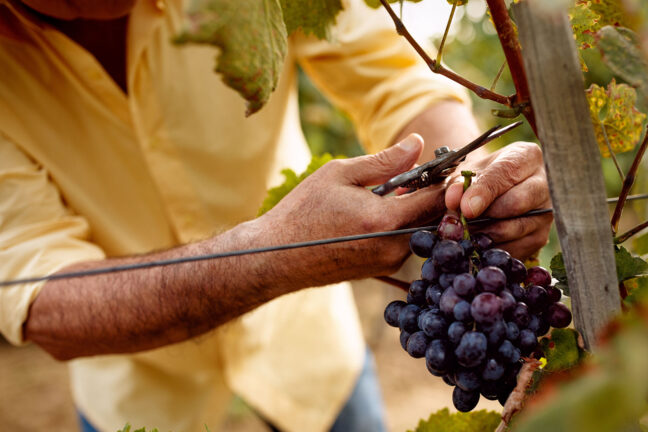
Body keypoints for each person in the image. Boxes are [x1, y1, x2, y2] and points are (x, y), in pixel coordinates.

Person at [0, 0, 553, 430]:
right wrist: (280, 252)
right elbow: (40, 296)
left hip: (308, 355)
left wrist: (472, 177)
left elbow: (396, 82)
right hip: (137, 383)